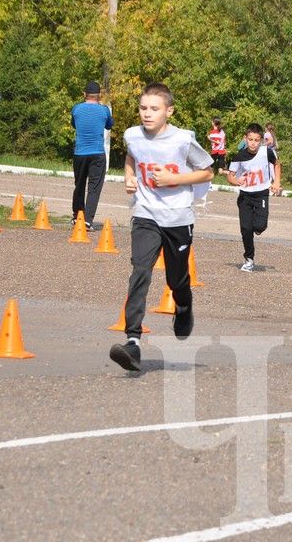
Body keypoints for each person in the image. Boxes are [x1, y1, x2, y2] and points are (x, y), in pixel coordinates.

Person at [109, 83, 214, 372]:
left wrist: (174, 180)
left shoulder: (182, 139)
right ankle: (133, 341)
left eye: (154, 109)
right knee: (140, 271)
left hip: (178, 218)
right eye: (143, 108)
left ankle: (183, 306)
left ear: (169, 111)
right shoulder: (132, 135)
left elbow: (207, 170)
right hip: (145, 214)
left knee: (176, 278)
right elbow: (132, 155)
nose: (147, 113)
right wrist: (129, 176)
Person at [225, 123, 282, 272]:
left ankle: (258, 228)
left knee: (260, 226)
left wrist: (276, 182)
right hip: (245, 196)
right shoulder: (239, 157)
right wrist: (235, 181)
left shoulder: (267, 152)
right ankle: (249, 259)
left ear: (261, 140)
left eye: (257, 140)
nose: (253, 143)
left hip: (262, 193)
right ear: (245, 138)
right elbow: (230, 177)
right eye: (250, 139)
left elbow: (277, 164)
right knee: (246, 229)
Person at [70, 81, 114, 231]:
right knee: (94, 187)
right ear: (99, 95)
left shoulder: (76, 109)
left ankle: (77, 216)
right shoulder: (104, 110)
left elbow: (74, 124)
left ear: (84, 94)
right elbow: (109, 125)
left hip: (80, 153)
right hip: (97, 153)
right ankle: (88, 220)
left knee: (79, 185)